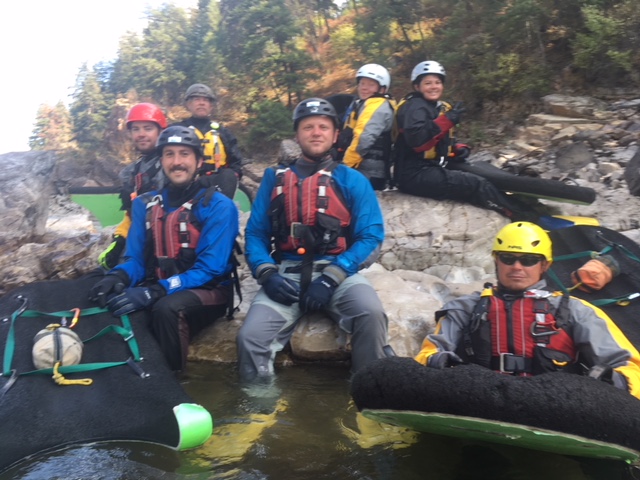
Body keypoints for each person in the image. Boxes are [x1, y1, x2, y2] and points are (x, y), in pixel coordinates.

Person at [237, 97, 389, 382]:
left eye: (323, 127)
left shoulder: (352, 179)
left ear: (334, 135)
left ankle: (370, 392)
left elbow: (371, 237)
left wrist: (332, 276)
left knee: (371, 314)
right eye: (308, 127)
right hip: (286, 274)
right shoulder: (274, 178)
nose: (316, 132)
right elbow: (256, 233)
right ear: (297, 135)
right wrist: (266, 272)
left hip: (339, 273)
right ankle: (259, 408)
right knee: (249, 337)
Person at [414, 221, 640, 400]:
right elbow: (428, 353)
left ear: (545, 265)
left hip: (555, 405)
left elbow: (629, 366)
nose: (517, 267)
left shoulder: (575, 311)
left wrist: (616, 380)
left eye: (529, 260)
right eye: (508, 258)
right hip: (480, 398)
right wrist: (440, 362)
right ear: (496, 261)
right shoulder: (464, 307)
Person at [89, 125, 240, 371]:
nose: (177, 162)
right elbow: (135, 258)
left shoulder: (219, 206)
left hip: (208, 291)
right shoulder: (145, 205)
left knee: (165, 309)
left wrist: (157, 291)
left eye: (184, 154)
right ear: (161, 160)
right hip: (160, 285)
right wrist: (118, 275)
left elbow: (211, 269)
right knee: (108, 291)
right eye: (169, 154)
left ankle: (174, 384)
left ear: (199, 161)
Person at [393, 60, 537, 220]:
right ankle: (526, 217)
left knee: (488, 177)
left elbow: (438, 140)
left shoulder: (432, 106)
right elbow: (418, 141)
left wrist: (456, 148)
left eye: (437, 82)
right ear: (417, 87)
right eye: (427, 83)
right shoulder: (415, 106)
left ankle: (529, 207)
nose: (434, 87)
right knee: (475, 184)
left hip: (427, 167)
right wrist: (448, 119)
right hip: (413, 174)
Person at [99, 103, 168, 269]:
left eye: (147, 128)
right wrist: (119, 240)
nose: (141, 134)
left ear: (160, 131)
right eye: (136, 129)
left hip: (167, 239)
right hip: (140, 235)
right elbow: (131, 216)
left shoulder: (171, 164)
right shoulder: (132, 171)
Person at [172, 83, 243, 199]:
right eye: (197, 99)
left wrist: (228, 179)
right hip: (186, 183)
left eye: (206, 100)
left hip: (219, 183)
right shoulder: (177, 129)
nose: (202, 103)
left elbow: (236, 163)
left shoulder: (223, 132)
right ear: (188, 104)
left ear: (211, 106)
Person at [337, 64, 396, 191]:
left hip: (369, 172)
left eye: (371, 85)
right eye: (362, 83)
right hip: (364, 169)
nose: (364, 88)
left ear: (382, 89)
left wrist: (345, 166)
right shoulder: (363, 104)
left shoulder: (376, 107)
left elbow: (363, 139)